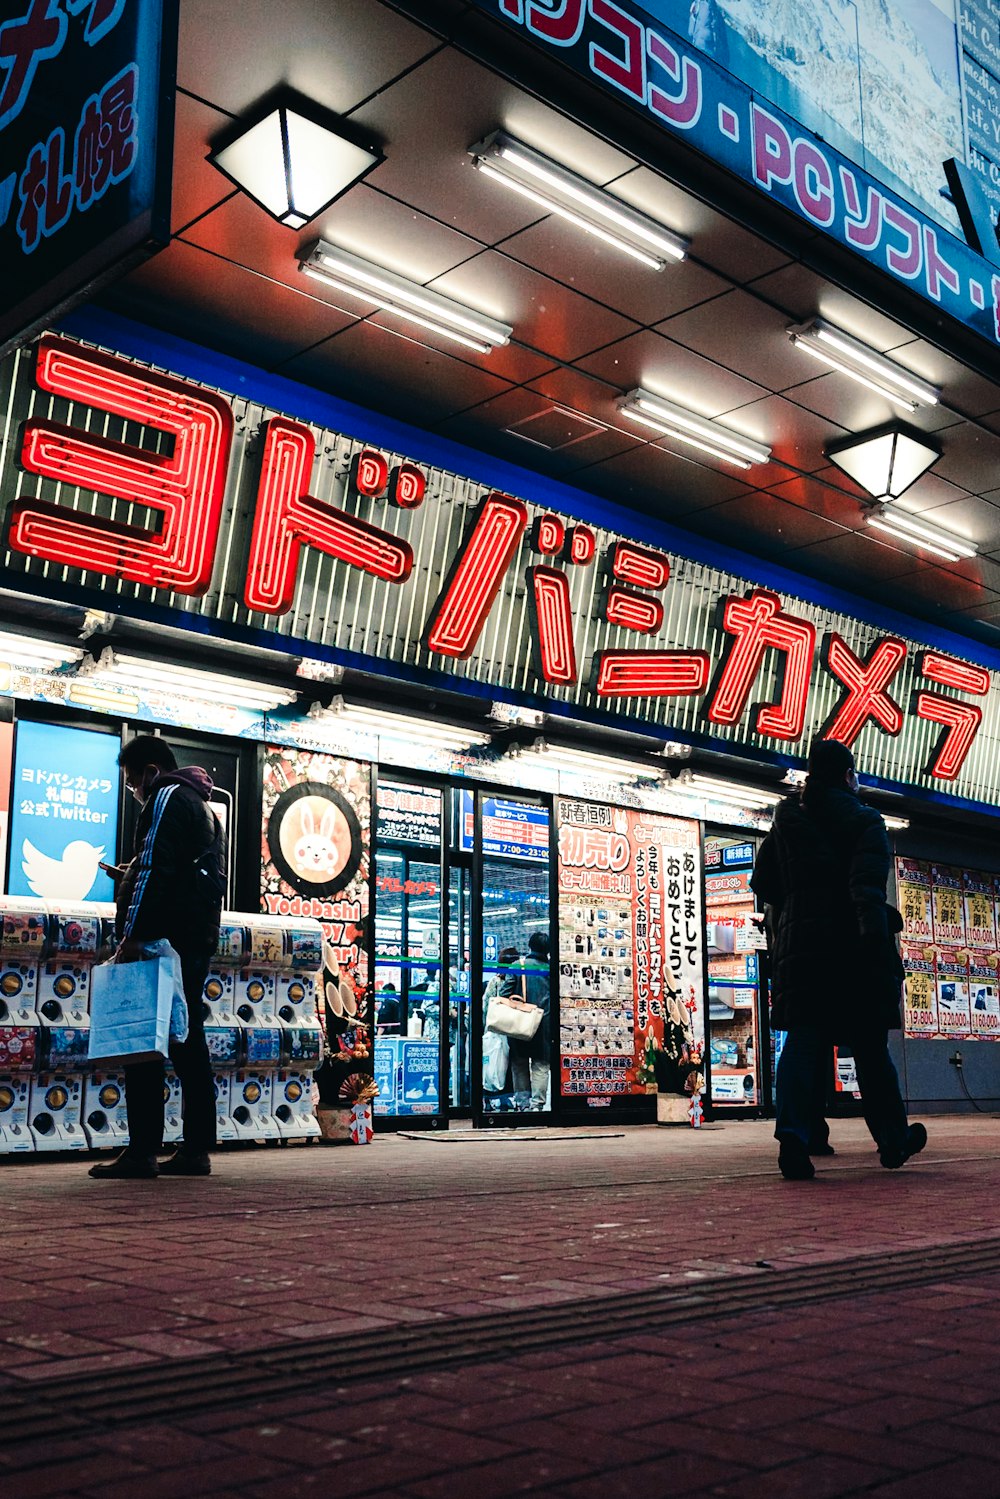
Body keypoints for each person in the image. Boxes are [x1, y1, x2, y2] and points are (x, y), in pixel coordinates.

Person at [751, 739, 926, 1181]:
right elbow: (866, 891)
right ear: (849, 776)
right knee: (869, 1048)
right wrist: (873, 943)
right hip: (851, 951)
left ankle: (793, 1139)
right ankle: (892, 1141)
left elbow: (764, 883)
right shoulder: (865, 821)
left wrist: (795, 914)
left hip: (802, 951)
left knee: (802, 1043)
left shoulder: (786, 821)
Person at [89, 736, 225, 1180]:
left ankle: (142, 1150)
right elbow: (175, 870)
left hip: (162, 940)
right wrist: (129, 873)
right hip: (192, 937)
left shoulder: (166, 795)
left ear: (150, 771)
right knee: (187, 1040)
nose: (134, 792)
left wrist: (132, 935)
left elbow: (154, 869)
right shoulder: (202, 806)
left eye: (132, 783)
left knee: (142, 1040)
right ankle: (196, 1148)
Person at [502, 931, 550, 1112]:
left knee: (519, 1063)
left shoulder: (518, 966)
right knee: (541, 1065)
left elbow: (504, 995)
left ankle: (523, 1105)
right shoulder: (552, 969)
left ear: (530, 946)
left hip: (519, 1022)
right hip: (544, 1025)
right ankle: (538, 1105)